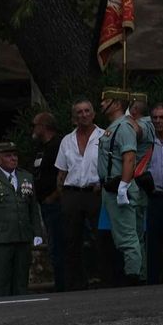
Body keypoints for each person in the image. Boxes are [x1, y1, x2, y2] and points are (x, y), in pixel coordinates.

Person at [0, 141, 45, 296]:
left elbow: (32, 208)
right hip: (1, 238)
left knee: (21, 281)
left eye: (14, 155)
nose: (13, 158)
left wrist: (37, 232)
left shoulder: (26, 177)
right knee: (2, 282)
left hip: (22, 235)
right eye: (8, 156)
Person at [96, 87, 145, 284]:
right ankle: (133, 274)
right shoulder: (115, 126)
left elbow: (129, 157)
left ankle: (134, 279)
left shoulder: (123, 127)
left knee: (128, 237)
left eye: (105, 100)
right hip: (110, 188)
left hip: (118, 187)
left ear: (115, 103)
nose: (101, 104)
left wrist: (124, 185)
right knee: (122, 235)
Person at [54, 98, 101, 291]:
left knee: (100, 237)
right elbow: (61, 172)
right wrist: (62, 196)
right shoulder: (67, 140)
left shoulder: (103, 136)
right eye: (79, 112)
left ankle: (103, 277)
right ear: (74, 117)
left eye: (87, 111)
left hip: (95, 192)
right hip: (72, 192)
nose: (83, 115)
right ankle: (75, 283)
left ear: (93, 113)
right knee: (71, 239)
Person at [28, 113, 65, 290]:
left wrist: (55, 195)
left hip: (55, 203)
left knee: (58, 244)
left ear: (44, 126)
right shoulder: (40, 148)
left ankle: (63, 284)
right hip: (42, 203)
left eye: (35, 125)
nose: (33, 129)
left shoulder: (58, 145)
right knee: (52, 244)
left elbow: (63, 172)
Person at [143, 103, 163, 285]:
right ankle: (151, 282)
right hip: (151, 198)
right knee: (151, 242)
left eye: (162, 117)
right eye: (155, 118)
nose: (158, 121)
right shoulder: (146, 143)